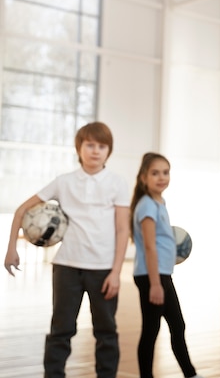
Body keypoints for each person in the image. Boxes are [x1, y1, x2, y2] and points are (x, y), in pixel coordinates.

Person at [3, 121, 130, 378]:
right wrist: (11, 249)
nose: (95, 151)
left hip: (103, 269)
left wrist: (116, 272)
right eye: (90, 145)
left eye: (102, 146)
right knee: (61, 330)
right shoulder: (64, 182)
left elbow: (122, 230)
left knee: (106, 332)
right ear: (79, 148)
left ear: (109, 151)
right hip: (67, 267)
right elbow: (21, 210)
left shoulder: (117, 183)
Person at [130, 152, 203, 378]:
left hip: (160, 274)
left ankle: (190, 373)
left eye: (165, 172)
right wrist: (155, 284)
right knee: (152, 331)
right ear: (143, 178)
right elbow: (150, 247)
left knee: (176, 326)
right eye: (155, 173)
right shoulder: (147, 206)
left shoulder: (159, 202)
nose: (161, 177)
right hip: (152, 277)